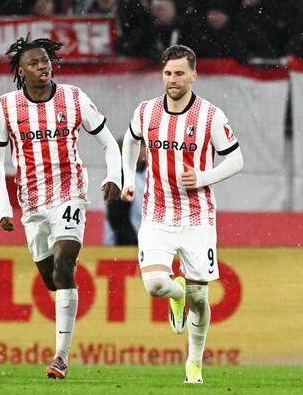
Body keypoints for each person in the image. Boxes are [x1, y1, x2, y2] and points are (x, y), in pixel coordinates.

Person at [0, 37, 122, 379]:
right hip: (31, 203)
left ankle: (60, 356)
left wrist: (115, 175)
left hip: (70, 193)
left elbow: (108, 141)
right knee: (52, 280)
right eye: (34, 63)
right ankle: (65, 295)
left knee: (64, 264)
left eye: (45, 61)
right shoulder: (5, 106)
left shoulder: (74, 97)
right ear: (21, 71)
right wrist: (3, 208)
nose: (42, 67)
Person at [120, 45, 243, 384]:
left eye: (178, 73)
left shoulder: (210, 116)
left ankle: (194, 364)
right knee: (156, 284)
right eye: (167, 73)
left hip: (198, 217)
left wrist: (203, 177)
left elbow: (236, 159)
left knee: (200, 296)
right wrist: (128, 178)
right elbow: (130, 142)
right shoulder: (146, 112)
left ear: (193, 74)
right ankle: (176, 297)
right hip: (157, 213)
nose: (172, 80)